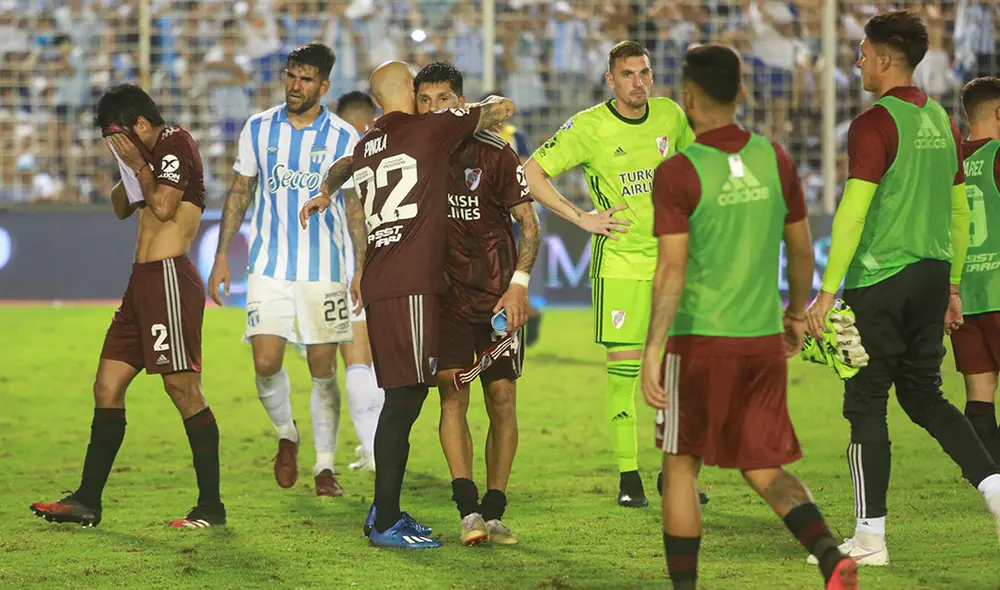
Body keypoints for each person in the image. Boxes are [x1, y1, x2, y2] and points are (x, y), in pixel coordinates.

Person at [640, 45, 857, 590]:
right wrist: (795, 313)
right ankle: (830, 556)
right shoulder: (775, 157)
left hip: (698, 343)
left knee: (680, 466)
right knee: (763, 468)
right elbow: (803, 249)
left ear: (687, 96)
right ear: (741, 91)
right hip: (761, 341)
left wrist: (651, 350)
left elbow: (670, 272)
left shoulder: (678, 171)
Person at [804, 11, 1000, 564]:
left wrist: (826, 292)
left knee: (865, 400)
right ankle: (996, 490)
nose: (858, 59)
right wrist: (954, 286)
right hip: (935, 276)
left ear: (886, 58)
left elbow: (853, 212)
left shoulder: (873, 124)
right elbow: (959, 213)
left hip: (882, 277)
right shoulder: (941, 118)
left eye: (863, 51)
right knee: (924, 395)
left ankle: (870, 540)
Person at [298, 61, 516, 549]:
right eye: (420, 93)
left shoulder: (368, 140)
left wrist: (324, 190)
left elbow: (343, 166)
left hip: (378, 282)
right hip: (414, 283)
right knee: (406, 398)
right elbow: (501, 110)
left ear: (377, 102)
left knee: (405, 394)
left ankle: (384, 507)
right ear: (410, 93)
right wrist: (483, 105)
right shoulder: (428, 130)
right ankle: (386, 519)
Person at [30, 84, 224, 529]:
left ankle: (211, 507)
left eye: (118, 135)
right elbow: (122, 206)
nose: (115, 143)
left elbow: (162, 207)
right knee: (107, 386)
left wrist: (139, 163)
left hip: (170, 279)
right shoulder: (149, 157)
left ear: (140, 124)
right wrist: (127, 165)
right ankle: (87, 500)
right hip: (141, 285)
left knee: (183, 390)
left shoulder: (176, 143)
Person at [524, 40, 699, 508]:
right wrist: (581, 217)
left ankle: (675, 471)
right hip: (620, 265)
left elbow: (697, 170)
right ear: (610, 79)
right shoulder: (588, 127)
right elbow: (531, 172)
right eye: (627, 74)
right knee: (623, 375)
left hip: (672, 263)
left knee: (679, 373)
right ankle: (629, 477)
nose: (638, 82)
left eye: (644, 73)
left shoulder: (671, 117)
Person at [207, 43, 360, 497]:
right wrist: (221, 254)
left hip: (325, 268)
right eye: (292, 76)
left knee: (322, 368)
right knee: (266, 359)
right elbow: (240, 192)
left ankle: (326, 467)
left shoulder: (343, 137)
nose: (295, 86)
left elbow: (354, 208)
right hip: (269, 265)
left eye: (306, 79)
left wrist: (361, 268)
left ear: (324, 86)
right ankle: (287, 434)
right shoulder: (258, 128)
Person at [413, 62, 540, 546]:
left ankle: (496, 507)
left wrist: (519, 284)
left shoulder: (496, 153)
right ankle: (468, 511)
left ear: (460, 103)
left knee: (502, 398)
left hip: (495, 297)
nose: (432, 109)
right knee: (452, 395)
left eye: (441, 99)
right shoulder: (417, 155)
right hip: (443, 299)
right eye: (423, 101)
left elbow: (529, 224)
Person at [333, 89, 382, 472]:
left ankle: (371, 447)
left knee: (355, 359)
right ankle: (379, 443)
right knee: (381, 362)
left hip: (350, 264)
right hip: (391, 263)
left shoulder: (341, 154)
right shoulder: (388, 147)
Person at [954, 76, 1000, 463]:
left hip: (965, 299)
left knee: (979, 396)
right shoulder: (999, 155)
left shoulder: (951, 164)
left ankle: (993, 483)